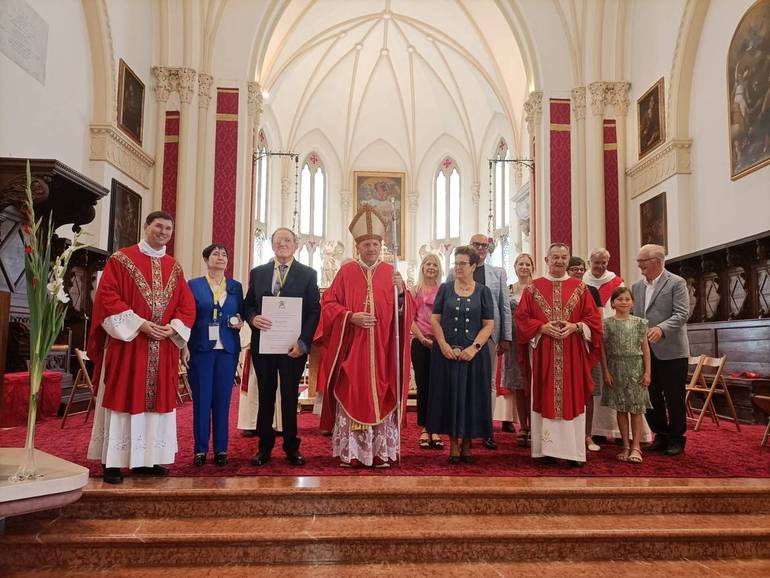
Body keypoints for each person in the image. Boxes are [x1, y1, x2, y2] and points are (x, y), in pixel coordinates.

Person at [87, 211, 195, 484]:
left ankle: (146, 461)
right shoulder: (121, 259)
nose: (163, 232)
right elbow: (107, 297)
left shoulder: (174, 266)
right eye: (158, 226)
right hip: (129, 346)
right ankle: (112, 462)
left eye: (168, 228)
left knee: (156, 405)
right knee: (123, 397)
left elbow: (186, 304)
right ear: (146, 227)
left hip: (163, 346)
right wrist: (140, 324)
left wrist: (174, 327)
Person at [315, 205, 415, 468]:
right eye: (366, 244)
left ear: (381, 245)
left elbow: (404, 313)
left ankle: (381, 453)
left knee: (382, 397)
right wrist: (350, 316)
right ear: (358, 247)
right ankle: (352, 453)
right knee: (353, 393)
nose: (371, 248)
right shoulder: (346, 272)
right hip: (353, 350)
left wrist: (402, 294)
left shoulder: (390, 274)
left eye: (375, 244)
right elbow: (328, 304)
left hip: (383, 350)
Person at [515, 243, 603, 467]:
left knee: (572, 397)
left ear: (569, 260)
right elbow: (522, 319)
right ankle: (545, 449)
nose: (560, 261)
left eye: (564, 257)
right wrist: (541, 328)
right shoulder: (533, 288)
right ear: (546, 260)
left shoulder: (580, 288)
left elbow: (594, 320)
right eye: (555, 257)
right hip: (544, 352)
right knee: (545, 395)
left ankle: (573, 452)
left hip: (572, 353)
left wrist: (576, 327)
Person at [244, 228, 321, 466]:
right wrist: (252, 318)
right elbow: (247, 305)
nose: (283, 244)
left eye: (287, 240)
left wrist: (304, 342)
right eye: (278, 241)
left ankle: (291, 446)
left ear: (296, 244)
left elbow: (314, 310)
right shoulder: (258, 273)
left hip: (292, 348)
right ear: (272, 244)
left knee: (289, 397)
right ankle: (264, 447)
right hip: (264, 346)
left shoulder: (308, 273)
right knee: (265, 396)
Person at [426, 246, 495, 464]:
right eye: (456, 264)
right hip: (446, 353)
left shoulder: (483, 291)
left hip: (472, 355)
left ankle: (467, 444)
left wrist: (474, 348)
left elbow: (488, 324)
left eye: (463, 264)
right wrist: (443, 344)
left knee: (470, 397)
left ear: (474, 266)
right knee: (449, 397)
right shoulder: (445, 289)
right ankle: (453, 444)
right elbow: (434, 320)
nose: (458, 268)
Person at [446, 234, 511, 450]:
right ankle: (464, 429)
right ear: (470, 247)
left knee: (489, 383)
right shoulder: (453, 272)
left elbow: (504, 306)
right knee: (463, 384)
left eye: (484, 245)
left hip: (489, 335)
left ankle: (487, 430)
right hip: (460, 336)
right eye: (477, 244)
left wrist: (505, 337)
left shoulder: (498, 273)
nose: (481, 248)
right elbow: (447, 305)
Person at [183, 244, 243, 467]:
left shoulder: (235, 287)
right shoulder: (194, 285)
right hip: (201, 349)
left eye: (224, 254)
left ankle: (221, 449)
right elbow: (187, 316)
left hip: (227, 349)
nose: (221, 257)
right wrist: (184, 347)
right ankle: (200, 450)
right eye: (216, 254)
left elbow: (241, 313)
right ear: (206, 259)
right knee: (202, 400)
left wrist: (240, 321)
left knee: (223, 401)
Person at [632, 244, 690, 456]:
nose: (639, 266)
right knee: (651, 396)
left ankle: (676, 438)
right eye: (638, 262)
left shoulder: (676, 282)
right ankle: (660, 435)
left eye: (642, 262)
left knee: (674, 397)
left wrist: (661, 329)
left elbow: (682, 313)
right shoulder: (636, 287)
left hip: (672, 351)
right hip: (645, 352)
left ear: (657, 261)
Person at [601, 287, 652, 464]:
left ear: (633, 303)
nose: (624, 302)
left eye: (627, 299)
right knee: (621, 409)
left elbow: (645, 349)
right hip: (615, 368)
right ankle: (625, 446)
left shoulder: (640, 323)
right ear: (613, 303)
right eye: (620, 299)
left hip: (636, 368)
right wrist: (605, 371)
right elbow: (603, 351)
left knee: (636, 409)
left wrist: (647, 372)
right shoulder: (606, 324)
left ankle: (636, 447)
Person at [568, 256, 603, 453]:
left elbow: (597, 321)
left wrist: (581, 329)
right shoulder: (561, 289)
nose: (578, 272)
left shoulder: (592, 291)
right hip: (566, 347)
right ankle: (570, 434)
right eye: (574, 268)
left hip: (587, 345)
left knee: (588, 391)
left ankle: (587, 435)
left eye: (581, 268)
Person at [411, 253, 443, 449]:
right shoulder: (414, 290)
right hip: (419, 341)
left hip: (439, 342)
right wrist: (421, 338)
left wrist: (438, 339)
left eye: (435, 264)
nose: (431, 267)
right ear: (422, 267)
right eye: (428, 264)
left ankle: (436, 428)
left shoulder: (444, 290)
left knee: (437, 387)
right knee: (423, 386)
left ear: (439, 269)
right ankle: (424, 428)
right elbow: (410, 318)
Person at [505, 253, 534, 447]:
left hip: (534, 342)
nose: (524, 267)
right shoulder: (508, 290)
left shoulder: (538, 289)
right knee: (518, 386)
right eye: (520, 264)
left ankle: (537, 426)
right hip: (515, 343)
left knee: (534, 385)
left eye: (527, 264)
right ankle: (523, 426)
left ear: (532, 267)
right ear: (515, 267)